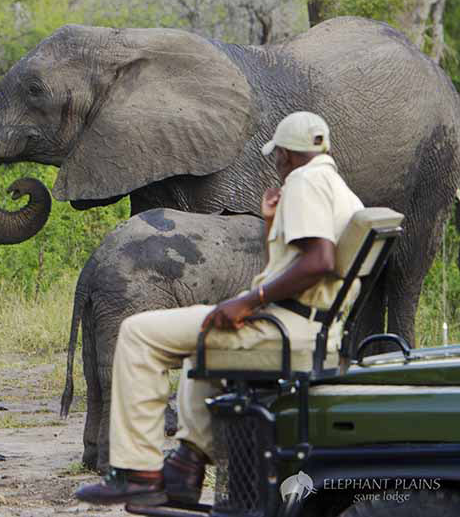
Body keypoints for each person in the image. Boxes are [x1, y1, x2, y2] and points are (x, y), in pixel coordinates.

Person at [74, 111, 363, 508]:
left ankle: (136, 472)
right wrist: (273, 222)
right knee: (203, 343)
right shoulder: (337, 187)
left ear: (287, 153)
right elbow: (302, 263)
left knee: (140, 333)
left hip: (288, 328)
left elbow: (320, 261)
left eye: (276, 154)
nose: (275, 163)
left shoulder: (304, 182)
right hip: (314, 328)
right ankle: (186, 465)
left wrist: (249, 300)